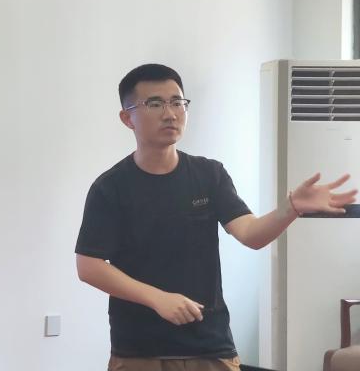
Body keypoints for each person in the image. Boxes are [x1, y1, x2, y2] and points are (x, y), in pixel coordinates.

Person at [76, 64, 357, 371]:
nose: (170, 114)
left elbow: (251, 234)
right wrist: (158, 299)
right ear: (127, 118)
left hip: (210, 345)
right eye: (154, 104)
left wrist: (291, 208)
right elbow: (89, 266)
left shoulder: (209, 174)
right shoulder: (111, 187)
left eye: (177, 102)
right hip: (139, 351)